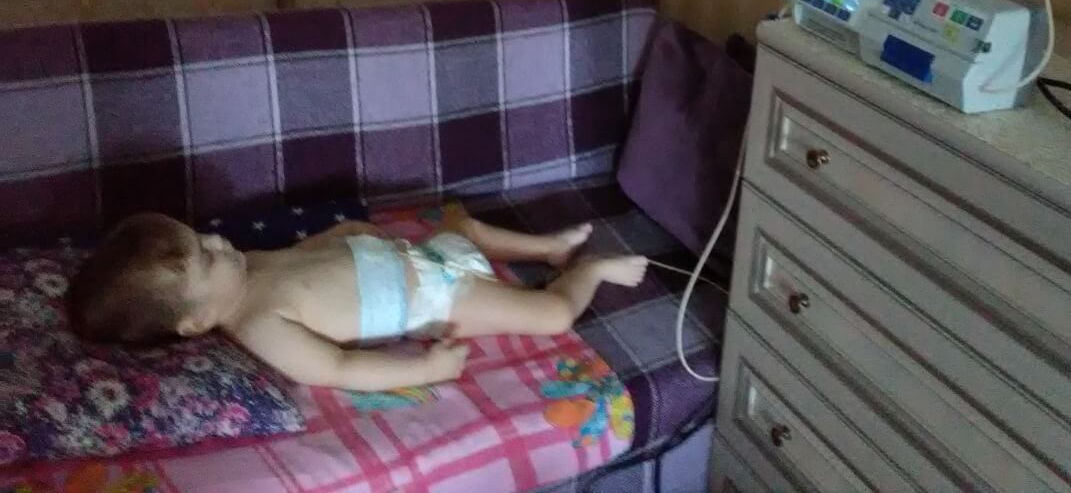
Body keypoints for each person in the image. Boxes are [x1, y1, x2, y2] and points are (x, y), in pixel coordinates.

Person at [66, 209, 646, 392]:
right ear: (195, 322)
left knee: (462, 225)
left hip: (423, 253)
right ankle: (590, 270)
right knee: (554, 315)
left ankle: (546, 248)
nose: (219, 242)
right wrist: (425, 369)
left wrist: (344, 235)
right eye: (206, 256)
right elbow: (338, 368)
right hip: (444, 297)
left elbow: (308, 257)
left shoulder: (249, 266)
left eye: (203, 236)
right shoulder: (259, 322)